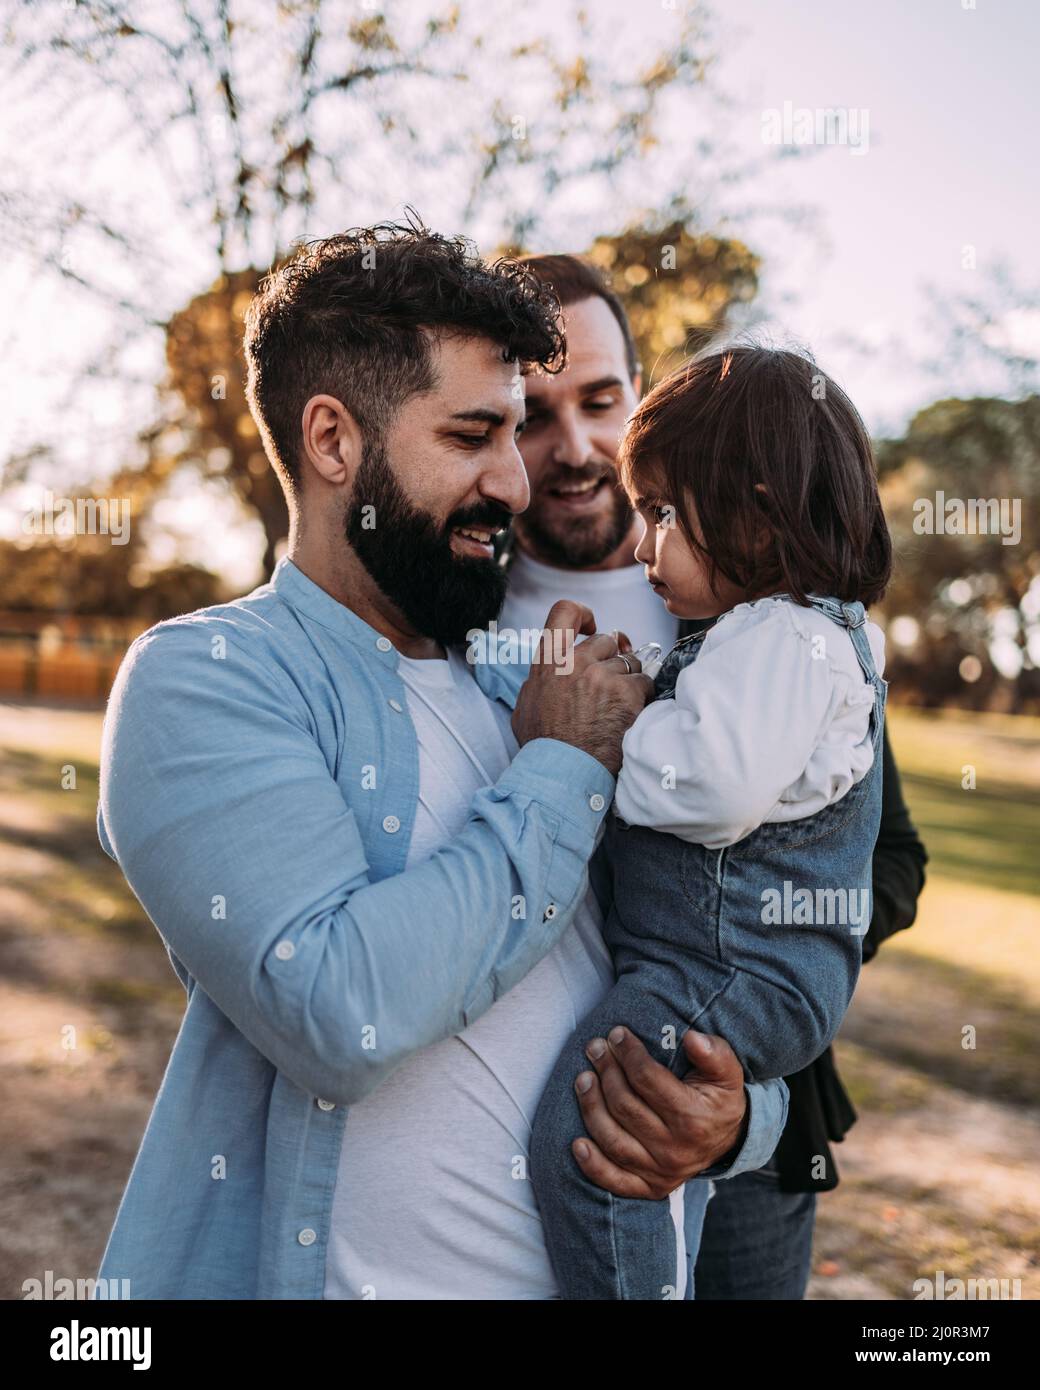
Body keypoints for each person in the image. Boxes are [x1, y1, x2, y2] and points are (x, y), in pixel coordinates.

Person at [91, 217, 788, 1301]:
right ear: (332, 443)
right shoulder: (208, 679)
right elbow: (335, 1010)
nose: (515, 482)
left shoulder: (527, 679)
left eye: (512, 435)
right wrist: (559, 767)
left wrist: (741, 1118)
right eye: (472, 437)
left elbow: (711, 950)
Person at [500, 254, 926, 1299]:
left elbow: (884, 860)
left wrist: (743, 1108)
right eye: (528, 412)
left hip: (728, 1120)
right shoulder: (443, 595)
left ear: (640, 398)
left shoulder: (769, 619)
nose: (573, 445)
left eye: (600, 399)